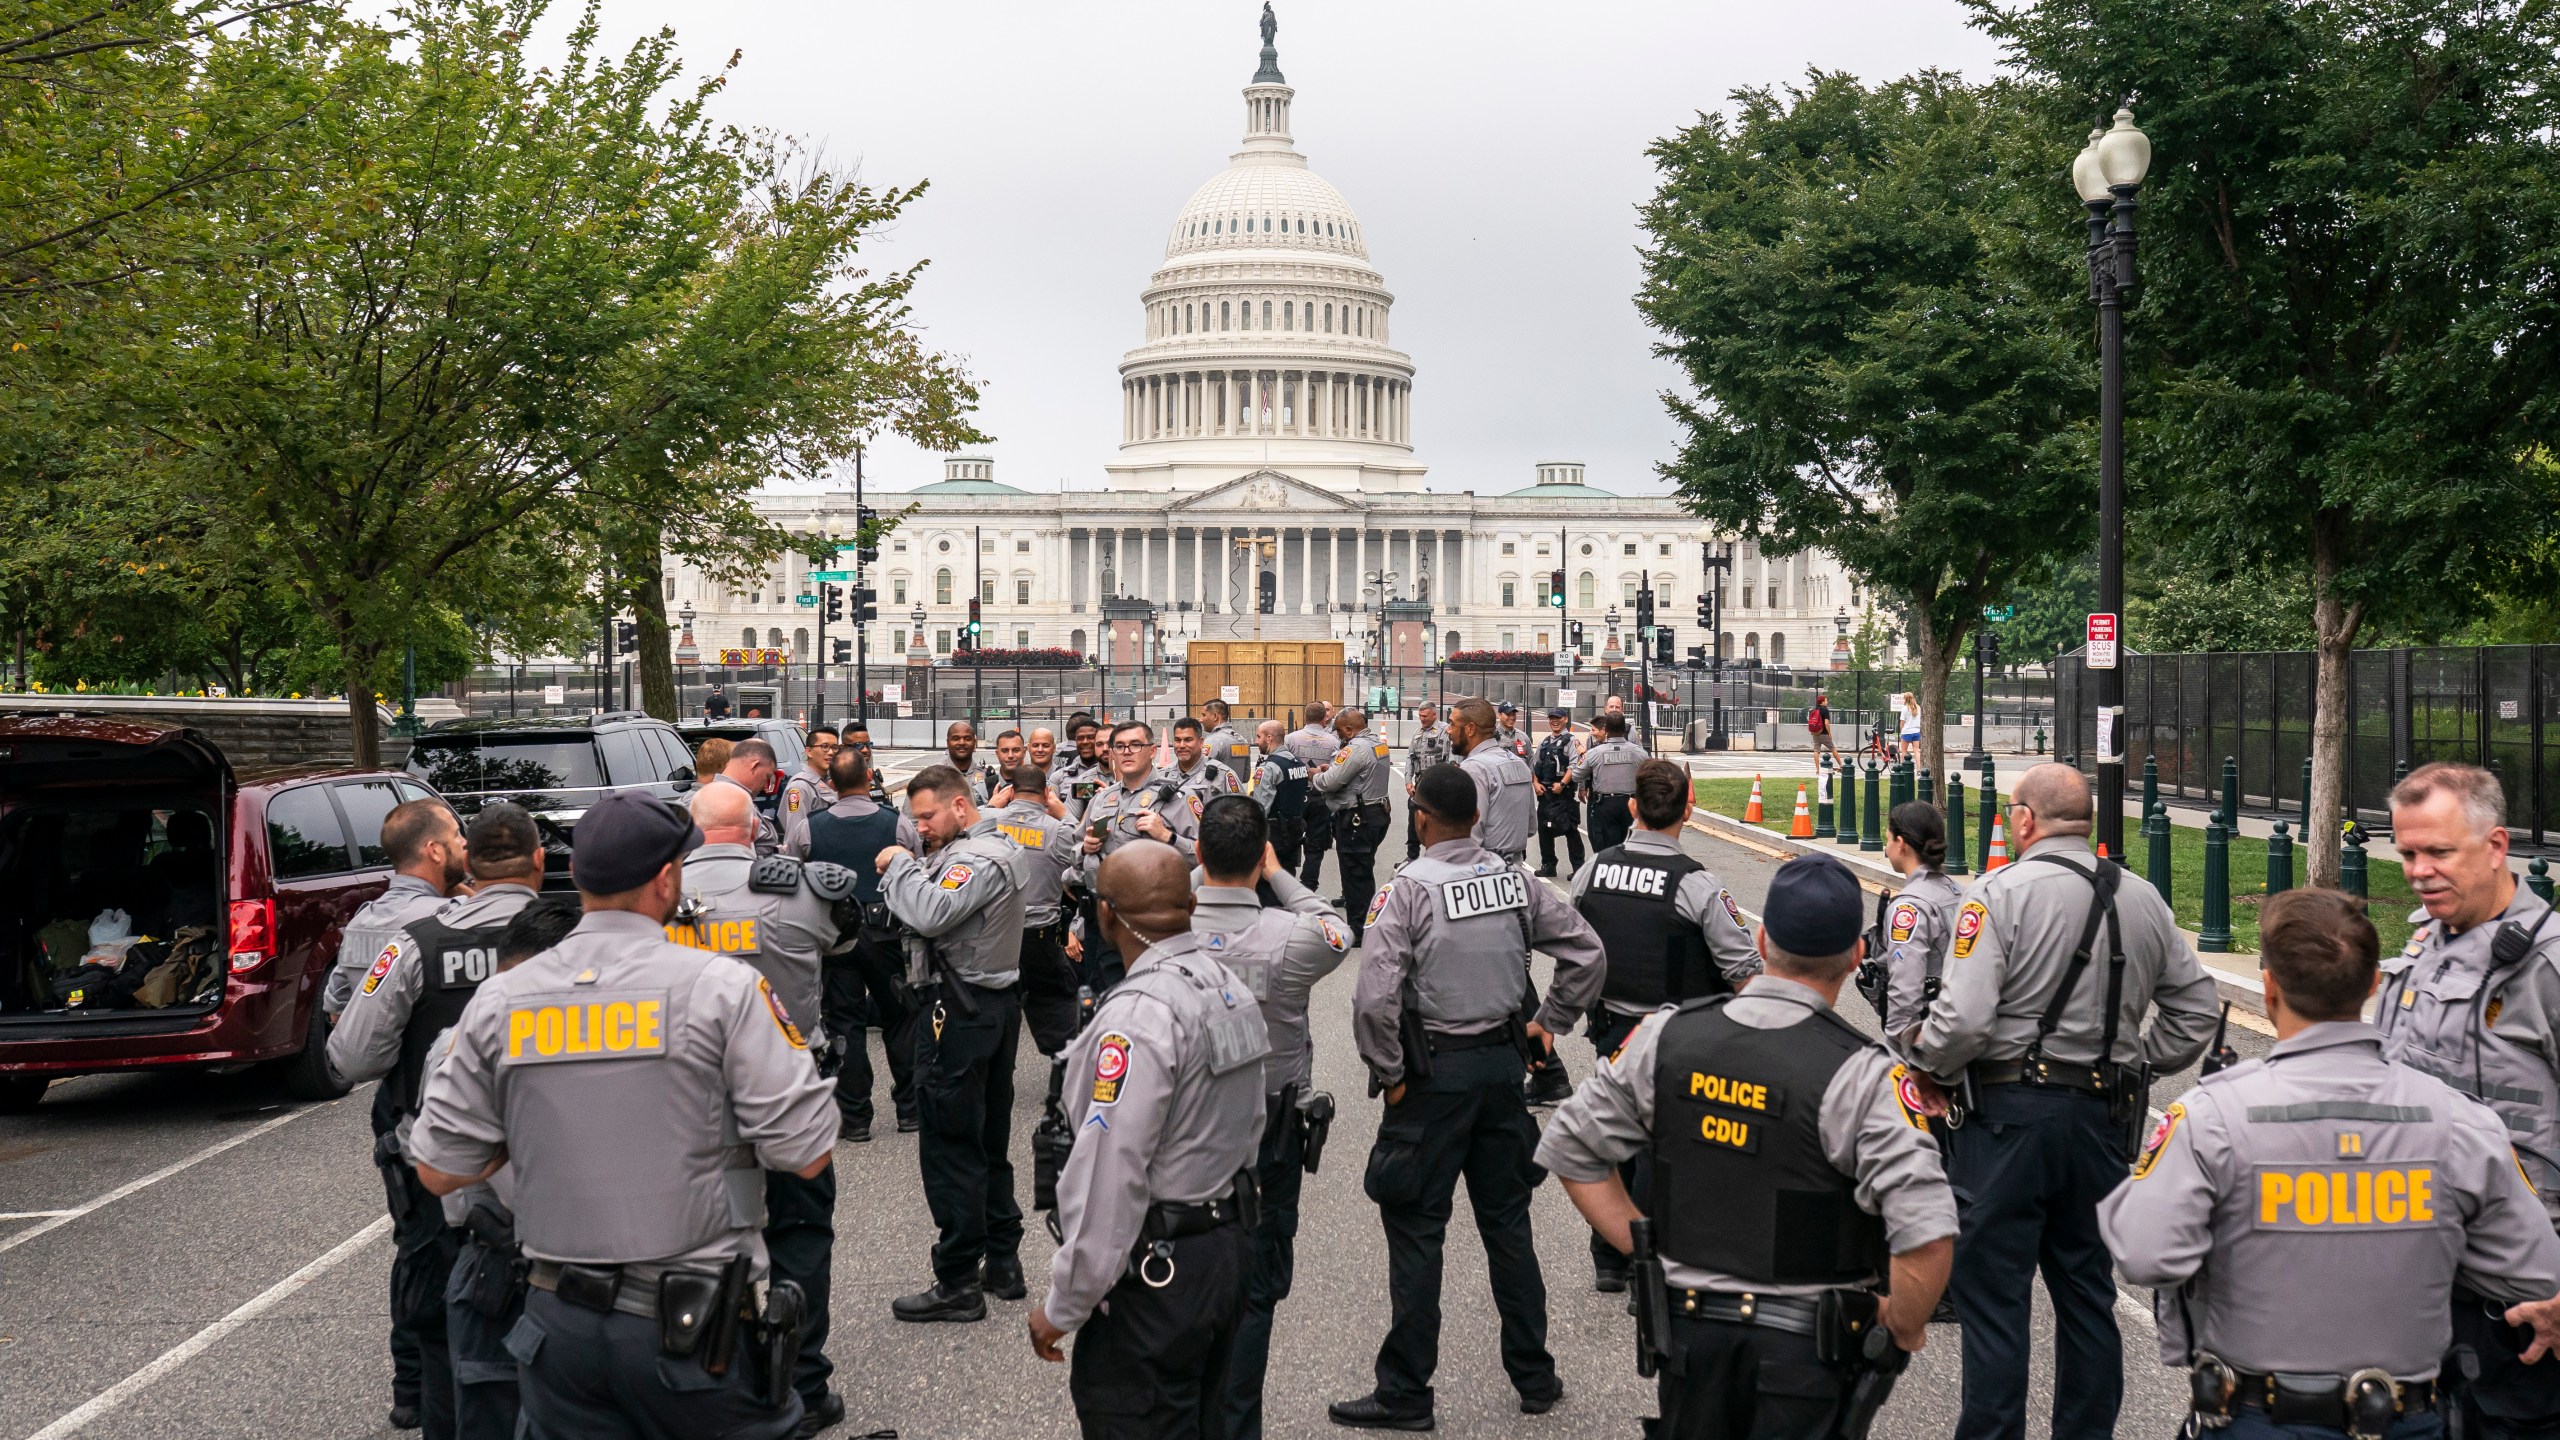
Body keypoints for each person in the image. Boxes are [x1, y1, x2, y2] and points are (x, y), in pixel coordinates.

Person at [407, 789, 838, 1440]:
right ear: (667, 880)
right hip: (691, 1324)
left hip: (557, 1327)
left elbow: (439, 1170)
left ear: (575, 878)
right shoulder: (721, 988)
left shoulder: (501, 999)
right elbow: (807, 1152)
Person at [2103, 886, 2560, 1440]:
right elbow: (2537, 1268)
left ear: (2268, 990)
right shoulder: (2463, 1123)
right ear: (2373, 985)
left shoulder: (2211, 1117)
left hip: (2253, 1416)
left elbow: (2143, 1253)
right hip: (2404, 1418)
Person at [1539, 850, 1958, 1440]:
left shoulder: (1666, 1037)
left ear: (1761, 941)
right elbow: (1927, 1234)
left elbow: (1571, 1148)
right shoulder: (1866, 1076)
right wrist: (1904, 1325)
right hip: (1808, 1353)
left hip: (1690, 1341)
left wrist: (1647, 1251)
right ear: (1857, 956)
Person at [1910, 762, 2220, 1440]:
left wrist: (1927, 1064)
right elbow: (2196, 1015)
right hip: (2102, 1120)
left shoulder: (1996, 894)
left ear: (2023, 819)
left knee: (1994, 1300)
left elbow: (1961, 1022)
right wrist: (2133, 1060)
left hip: (2008, 1121)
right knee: (2087, 1294)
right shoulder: (2145, 899)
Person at [1332, 764, 1606, 1430]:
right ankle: (1536, 1377)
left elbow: (1372, 1001)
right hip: (1500, 1072)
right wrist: (1549, 1023)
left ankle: (1406, 1394)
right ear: (1478, 817)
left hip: (1433, 1080)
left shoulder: (1407, 891)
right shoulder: (1515, 881)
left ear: (1419, 817)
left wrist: (1391, 1073)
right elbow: (1586, 953)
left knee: (1418, 1232)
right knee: (1508, 1228)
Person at [1028, 841, 1268, 1438]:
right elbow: (1251, 1119)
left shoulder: (1136, 1015)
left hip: (1160, 1274)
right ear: (1191, 904)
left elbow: (1110, 1171)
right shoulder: (1228, 988)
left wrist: (1063, 1307)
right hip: (1225, 1249)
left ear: (1105, 914)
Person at [329, 802, 542, 1440]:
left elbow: (351, 1056)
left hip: (443, 1164)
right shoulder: (573, 932)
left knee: (446, 1314)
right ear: (539, 861)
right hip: (559, 1159)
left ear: (468, 862)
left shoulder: (413, 941)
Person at [667, 780, 860, 1435]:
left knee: (694, 1236)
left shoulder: (656, 896)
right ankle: (801, 1380)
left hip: (685, 1096)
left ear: (693, 834)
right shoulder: (800, 888)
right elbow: (842, 945)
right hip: (788, 1084)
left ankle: (710, 1375)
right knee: (800, 1234)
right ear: (756, 830)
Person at [2374, 762, 2560, 1437]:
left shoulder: (2547, 967)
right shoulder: (2429, 946)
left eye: (2439, 852)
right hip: (2421, 1296)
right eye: (2407, 853)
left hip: (2520, 1316)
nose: (2419, 871)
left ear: (2497, 845)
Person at [1191, 796, 1353, 1440]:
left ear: (1199, 854)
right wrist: (1278, 872)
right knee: (1256, 1287)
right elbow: (1332, 923)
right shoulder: (1294, 937)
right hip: (1270, 1129)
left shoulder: (1162, 927)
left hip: (1187, 1129)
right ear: (1260, 859)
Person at [1566, 759, 1760, 1294]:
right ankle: (1651, 1266)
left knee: (1617, 1129)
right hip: (1678, 1031)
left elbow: (1576, 951)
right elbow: (1744, 969)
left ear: (1632, 808)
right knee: (1665, 1148)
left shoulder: (1591, 871)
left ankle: (1610, 1256)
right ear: (1688, 811)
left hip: (1610, 1027)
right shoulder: (1698, 884)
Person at [322, 796, 470, 1432]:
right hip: (462, 1109)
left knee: (415, 1246)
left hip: (401, 1108)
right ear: (434, 850)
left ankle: (410, 1386)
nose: (465, 843)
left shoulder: (364, 924)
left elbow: (339, 1013)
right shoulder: (452, 922)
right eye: (458, 834)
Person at [879, 764, 1029, 1323]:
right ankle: (1003, 1260)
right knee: (985, 1138)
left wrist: (898, 867)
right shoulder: (985, 847)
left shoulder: (977, 857)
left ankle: (958, 1278)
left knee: (950, 1144)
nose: (919, 828)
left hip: (959, 1013)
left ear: (961, 807)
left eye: (927, 816)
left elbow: (932, 911)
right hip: (986, 1007)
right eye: (914, 819)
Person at [434, 894, 583, 1440]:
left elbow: (442, 1171)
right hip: (575, 1268)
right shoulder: (619, 1039)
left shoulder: (460, 1044)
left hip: (499, 1259)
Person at [804, 745, 916, 1140]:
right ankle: (909, 1110)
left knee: (844, 1024)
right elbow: (914, 867)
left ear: (831, 783)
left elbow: (795, 873)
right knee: (900, 1019)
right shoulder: (895, 822)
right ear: (870, 778)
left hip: (835, 936)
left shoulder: (810, 825)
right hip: (886, 933)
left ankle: (854, 1119)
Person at [1079, 720, 1201, 990]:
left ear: (1152, 750)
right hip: (1107, 921)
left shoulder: (1180, 798)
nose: (1126, 752)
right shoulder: (1102, 799)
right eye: (1119, 746)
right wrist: (1084, 848)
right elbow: (1074, 850)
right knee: (1105, 1000)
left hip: (1157, 923)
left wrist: (1167, 836)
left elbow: (1204, 857)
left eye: (1135, 745)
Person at [988, 762, 1087, 1056]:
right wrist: (1064, 812)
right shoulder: (1058, 830)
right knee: (1057, 1016)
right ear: (1046, 793)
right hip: (1039, 938)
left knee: (994, 1012)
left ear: (1009, 792)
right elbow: (1084, 851)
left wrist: (992, 806)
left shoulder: (986, 820)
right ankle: (1070, 1084)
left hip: (994, 938)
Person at [1873, 801, 1963, 1052]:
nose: (1886, 847)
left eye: (1888, 839)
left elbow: (1905, 991)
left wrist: (1898, 1049)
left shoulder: (1909, 908)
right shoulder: (1962, 893)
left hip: (1930, 1040)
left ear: (1901, 844)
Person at [1309, 706, 1393, 944]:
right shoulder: (1377, 744)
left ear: (1348, 729)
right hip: (1376, 812)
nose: (1337, 735)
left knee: (1355, 874)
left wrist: (1315, 775)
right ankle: (1368, 922)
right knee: (1363, 871)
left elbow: (1330, 782)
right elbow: (1360, 774)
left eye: (1338, 731)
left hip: (1358, 817)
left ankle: (1359, 929)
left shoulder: (1356, 748)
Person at [1570, 712, 1649, 854]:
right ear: (1623, 729)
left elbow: (1576, 775)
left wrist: (1583, 755)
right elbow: (1649, 775)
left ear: (1606, 729)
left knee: (1604, 849)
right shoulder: (1638, 752)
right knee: (1630, 848)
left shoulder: (1595, 753)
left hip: (1604, 806)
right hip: (1630, 806)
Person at [1286, 702, 1342, 889]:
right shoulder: (1333, 742)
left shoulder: (1291, 739)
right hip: (1321, 798)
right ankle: (1309, 885)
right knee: (1315, 845)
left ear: (1305, 717)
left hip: (1295, 797)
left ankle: (1286, 884)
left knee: (1289, 840)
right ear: (1323, 718)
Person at [1247, 719, 1313, 877]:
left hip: (1274, 834)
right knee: (1288, 878)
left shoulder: (1269, 767)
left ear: (1269, 738)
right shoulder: (1298, 763)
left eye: (1258, 736)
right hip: (1295, 831)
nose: (1256, 742)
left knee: (1268, 882)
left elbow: (1261, 808)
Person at [712, 739, 783, 857]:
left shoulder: (705, 798)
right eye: (767, 776)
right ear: (754, 766)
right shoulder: (731, 802)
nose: (766, 785)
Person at [778, 726, 839, 859]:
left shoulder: (829, 782)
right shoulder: (800, 787)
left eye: (835, 748)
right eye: (824, 746)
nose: (830, 752)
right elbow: (794, 837)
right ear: (808, 751)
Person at [1402, 703, 1452, 864]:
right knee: (1414, 816)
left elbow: (1447, 758)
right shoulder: (1417, 733)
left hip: (1437, 783)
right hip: (1420, 782)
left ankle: (1438, 855)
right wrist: (1408, 781)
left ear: (1434, 715)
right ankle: (1412, 855)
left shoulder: (1444, 731)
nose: (1422, 719)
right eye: (1420, 716)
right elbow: (1410, 758)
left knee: (1437, 819)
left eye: (1425, 716)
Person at [1163, 716, 1241, 803]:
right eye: (1177, 740)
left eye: (1188, 740)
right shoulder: (1163, 775)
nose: (1181, 745)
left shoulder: (1222, 775)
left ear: (1200, 742)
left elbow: (1241, 811)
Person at [1054, 718, 1108, 822]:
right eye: (1080, 738)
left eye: (1091, 737)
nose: (1085, 742)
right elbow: (1068, 819)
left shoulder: (1122, 774)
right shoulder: (1071, 778)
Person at [936, 721, 1003, 804]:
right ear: (947, 742)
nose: (962, 743)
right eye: (956, 738)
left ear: (975, 742)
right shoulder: (934, 775)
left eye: (967, 739)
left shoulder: (986, 775)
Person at [1202, 697, 1254, 775]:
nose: (1201, 720)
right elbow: (1246, 776)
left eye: (1203, 715)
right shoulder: (1242, 740)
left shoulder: (1212, 741)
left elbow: (1201, 773)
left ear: (1215, 716)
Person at [1807, 691, 1839, 767]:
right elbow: (1826, 723)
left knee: (1816, 751)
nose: (1827, 702)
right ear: (1822, 703)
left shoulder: (1813, 710)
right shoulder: (1825, 710)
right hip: (1824, 733)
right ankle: (1841, 765)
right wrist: (1829, 733)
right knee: (1833, 749)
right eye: (1826, 701)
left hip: (1815, 733)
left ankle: (1818, 769)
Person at [1897, 692, 1922, 762]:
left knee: (1904, 751)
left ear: (1906, 699)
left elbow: (1902, 723)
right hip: (1916, 731)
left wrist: (1901, 731)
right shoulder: (1918, 708)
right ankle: (1919, 770)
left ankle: (1904, 769)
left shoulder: (1905, 709)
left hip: (1906, 732)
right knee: (1917, 751)